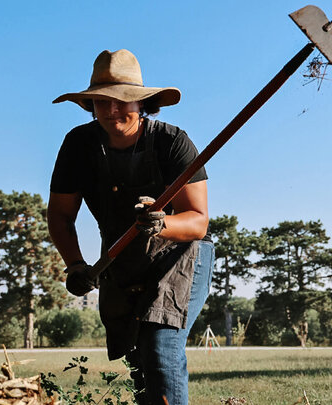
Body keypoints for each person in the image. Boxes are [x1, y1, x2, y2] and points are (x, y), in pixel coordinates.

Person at [47, 49, 214, 405]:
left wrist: (162, 222)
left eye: (122, 101)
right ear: (91, 105)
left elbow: (198, 221)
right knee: (138, 356)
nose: (111, 111)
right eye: (101, 102)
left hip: (181, 256)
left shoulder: (172, 142)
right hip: (120, 258)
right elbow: (60, 215)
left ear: (142, 103)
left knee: (159, 345)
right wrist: (75, 264)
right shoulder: (78, 145)